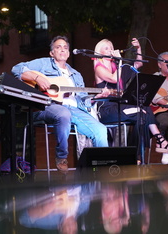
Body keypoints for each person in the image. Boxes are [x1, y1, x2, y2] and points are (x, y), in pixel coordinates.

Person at [11, 35, 110, 173]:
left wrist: (95, 98)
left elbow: (82, 101)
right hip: (46, 106)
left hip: (74, 109)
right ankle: (61, 157)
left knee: (101, 130)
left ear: (69, 53)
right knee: (64, 114)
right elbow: (16, 69)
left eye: (65, 48)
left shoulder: (76, 75)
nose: (62, 50)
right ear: (52, 53)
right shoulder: (44, 63)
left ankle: (103, 168)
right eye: (58, 47)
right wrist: (37, 78)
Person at [93, 38, 168, 162]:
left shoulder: (118, 67)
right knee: (141, 115)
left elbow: (138, 64)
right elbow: (114, 79)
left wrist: (138, 49)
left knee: (144, 109)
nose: (111, 50)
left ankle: (150, 146)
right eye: (106, 48)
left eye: (111, 47)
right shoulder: (99, 67)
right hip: (107, 109)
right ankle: (153, 145)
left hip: (120, 106)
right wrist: (120, 62)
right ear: (99, 52)